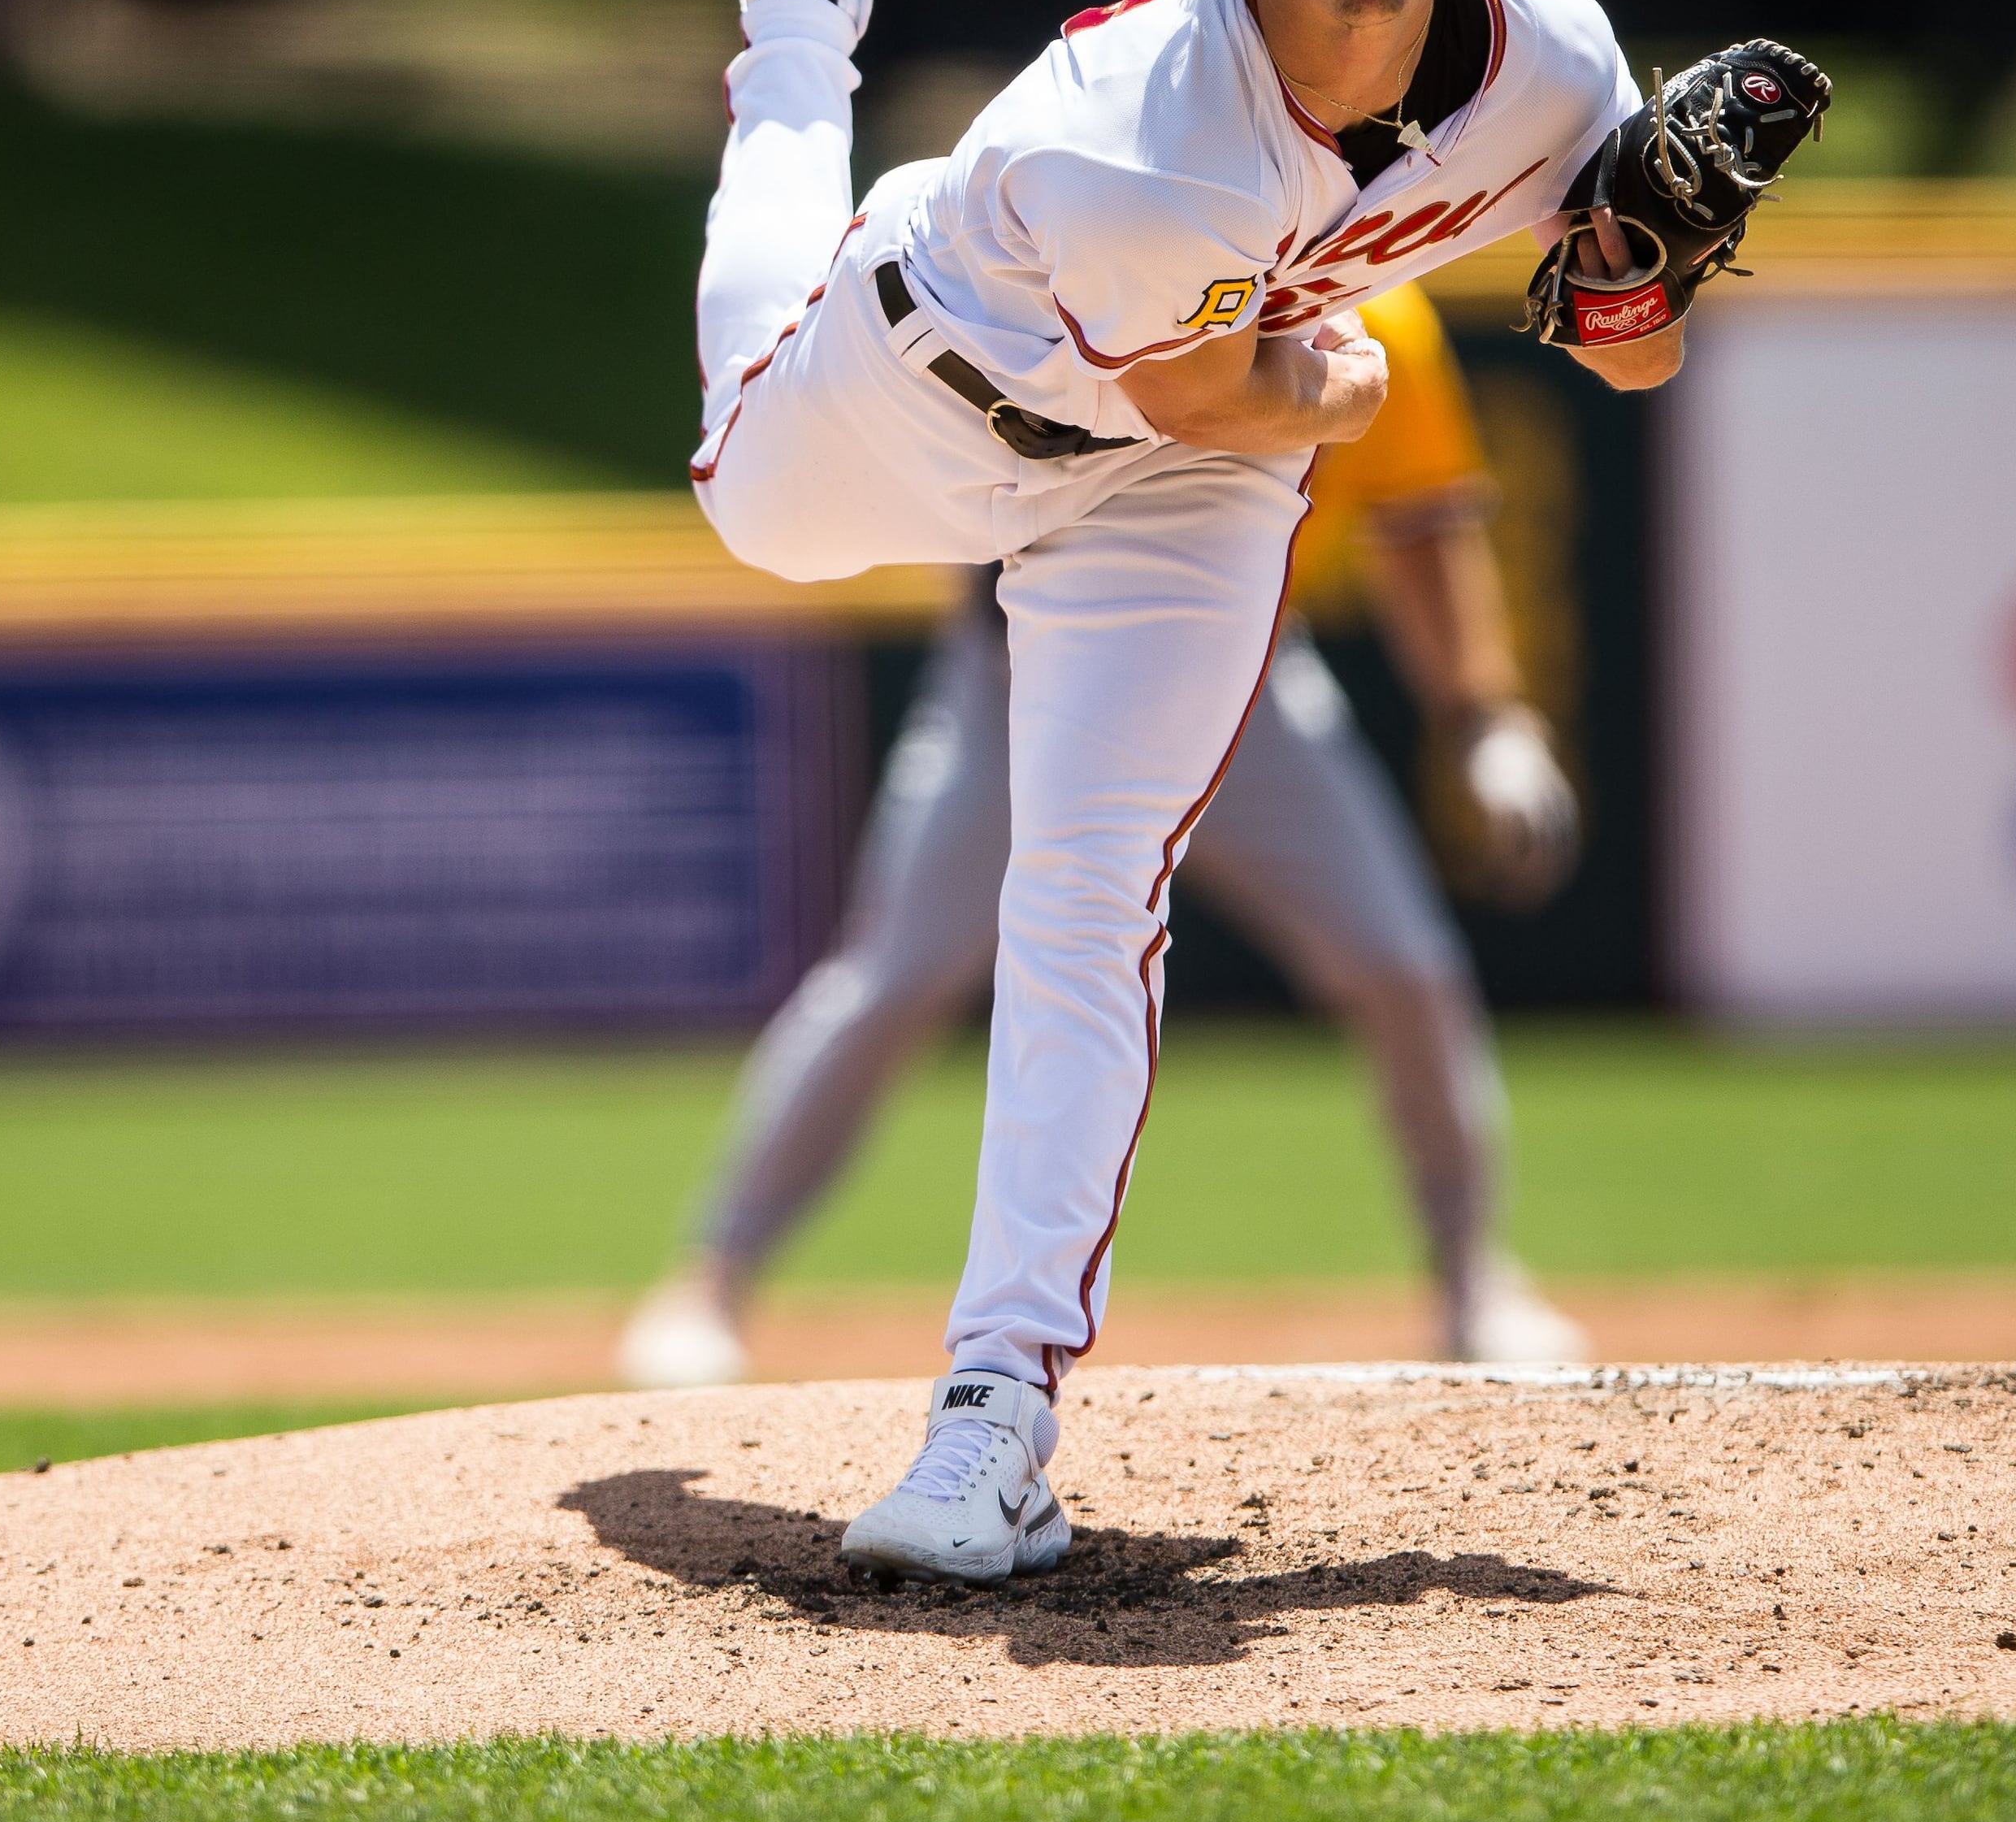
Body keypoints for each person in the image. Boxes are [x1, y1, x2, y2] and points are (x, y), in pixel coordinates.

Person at [685, 0, 1719, 1586]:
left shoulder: (1558, 55)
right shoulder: (1142, 129)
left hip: (1175, 485)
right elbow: (1211, 390)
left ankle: (993, 1412)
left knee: (1085, 890)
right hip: (936, 381)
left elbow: (1625, 348)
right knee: (745, 498)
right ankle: (800, 22)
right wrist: (1325, 397)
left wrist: (1647, 273)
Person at [621, 272, 1595, 1394]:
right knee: (891, 977)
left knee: (1404, 965)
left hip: (1250, 690)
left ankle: (1474, 1274)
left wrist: (1487, 717)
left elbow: (1423, 520)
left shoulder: (1390, 319)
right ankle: (714, 1278)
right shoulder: (1122, 261)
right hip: (1028, 679)